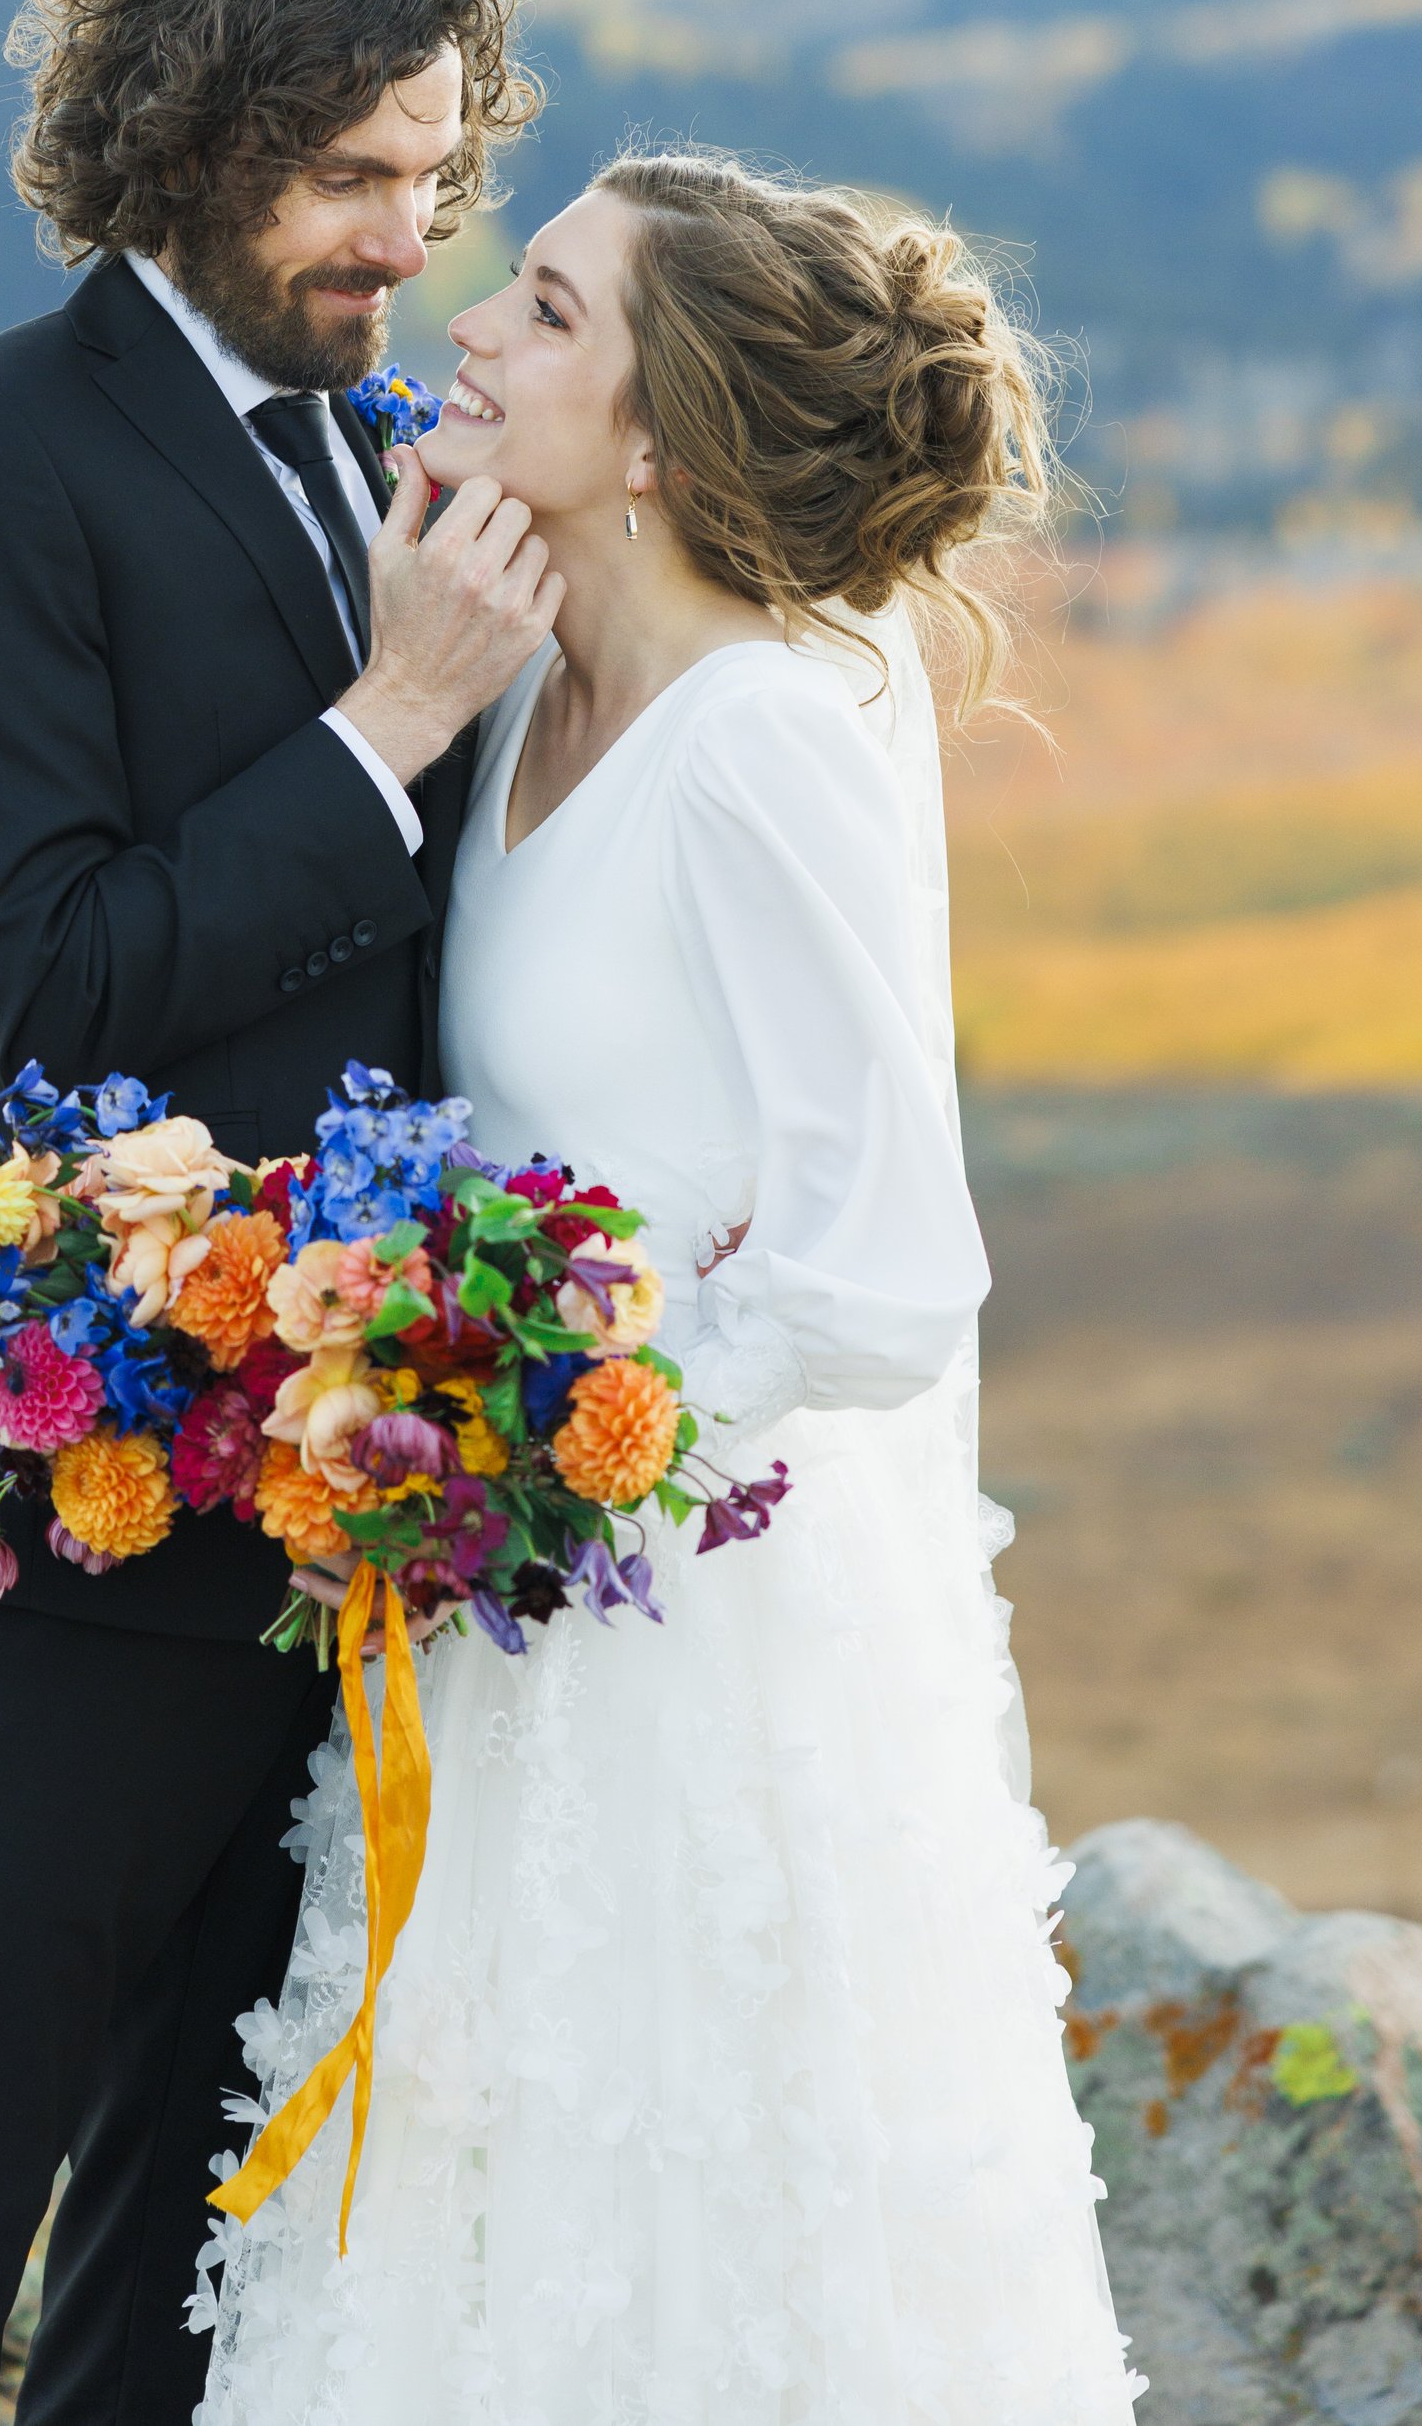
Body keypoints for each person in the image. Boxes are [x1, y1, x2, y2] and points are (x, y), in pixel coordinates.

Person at [198, 152, 1142, 2423]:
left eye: (540, 307)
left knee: (707, 2237)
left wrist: (555, 1449)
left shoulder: (759, 743)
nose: (471, 323)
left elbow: (888, 1275)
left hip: (694, 1622)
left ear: (644, 439)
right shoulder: (521, 698)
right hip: (502, 1642)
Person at [0, 0, 564, 2426]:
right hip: (82, 1478)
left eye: (433, 177)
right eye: (342, 179)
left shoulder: (385, 445)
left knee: (208, 2232)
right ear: (179, 143)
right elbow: (45, 981)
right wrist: (387, 725)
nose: (399, 238)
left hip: (354, 1472)